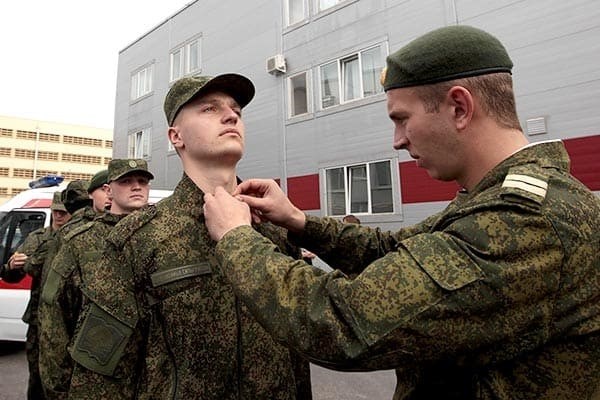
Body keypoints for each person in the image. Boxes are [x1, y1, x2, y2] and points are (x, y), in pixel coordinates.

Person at [202, 25, 600, 399]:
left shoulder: (527, 220)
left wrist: (237, 240)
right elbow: (391, 250)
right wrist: (298, 221)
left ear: (459, 107)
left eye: (402, 119)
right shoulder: (493, 200)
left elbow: (343, 322)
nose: (397, 141)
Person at [68, 74, 312, 399]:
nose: (231, 115)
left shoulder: (273, 229)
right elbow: (99, 373)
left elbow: (298, 355)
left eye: (236, 109)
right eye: (209, 109)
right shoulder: (138, 237)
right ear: (176, 136)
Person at [38, 160, 152, 399]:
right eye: (126, 181)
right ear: (108, 190)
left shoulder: (164, 240)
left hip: (155, 382)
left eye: (142, 181)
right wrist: (58, 388)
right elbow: (54, 316)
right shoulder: (80, 241)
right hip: (99, 384)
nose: (136, 187)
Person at [1, 191, 71, 400]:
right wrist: (11, 267)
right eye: (55, 211)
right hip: (39, 319)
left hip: (68, 320)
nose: (59, 216)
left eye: (63, 212)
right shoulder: (37, 238)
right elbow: (12, 274)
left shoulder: (77, 238)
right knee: (37, 376)